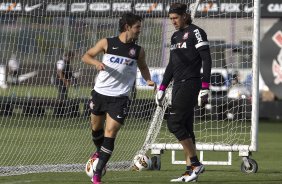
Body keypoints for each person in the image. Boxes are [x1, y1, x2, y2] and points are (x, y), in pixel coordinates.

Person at [82, 13, 155, 184]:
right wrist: (96, 63)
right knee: (96, 129)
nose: (140, 30)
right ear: (127, 27)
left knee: (111, 132)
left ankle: (98, 174)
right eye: (137, 26)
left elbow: (143, 67)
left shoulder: (138, 50)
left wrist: (148, 79)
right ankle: (99, 152)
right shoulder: (107, 42)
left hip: (120, 98)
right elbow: (86, 56)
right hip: (99, 93)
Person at [155, 3, 212, 182]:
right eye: (171, 19)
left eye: (176, 18)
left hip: (191, 84)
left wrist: (205, 87)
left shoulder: (196, 32)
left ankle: (195, 163)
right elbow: (172, 65)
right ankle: (190, 172)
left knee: (174, 123)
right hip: (178, 85)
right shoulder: (175, 36)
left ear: (185, 16)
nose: (173, 21)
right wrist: (162, 87)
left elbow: (207, 59)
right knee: (186, 127)